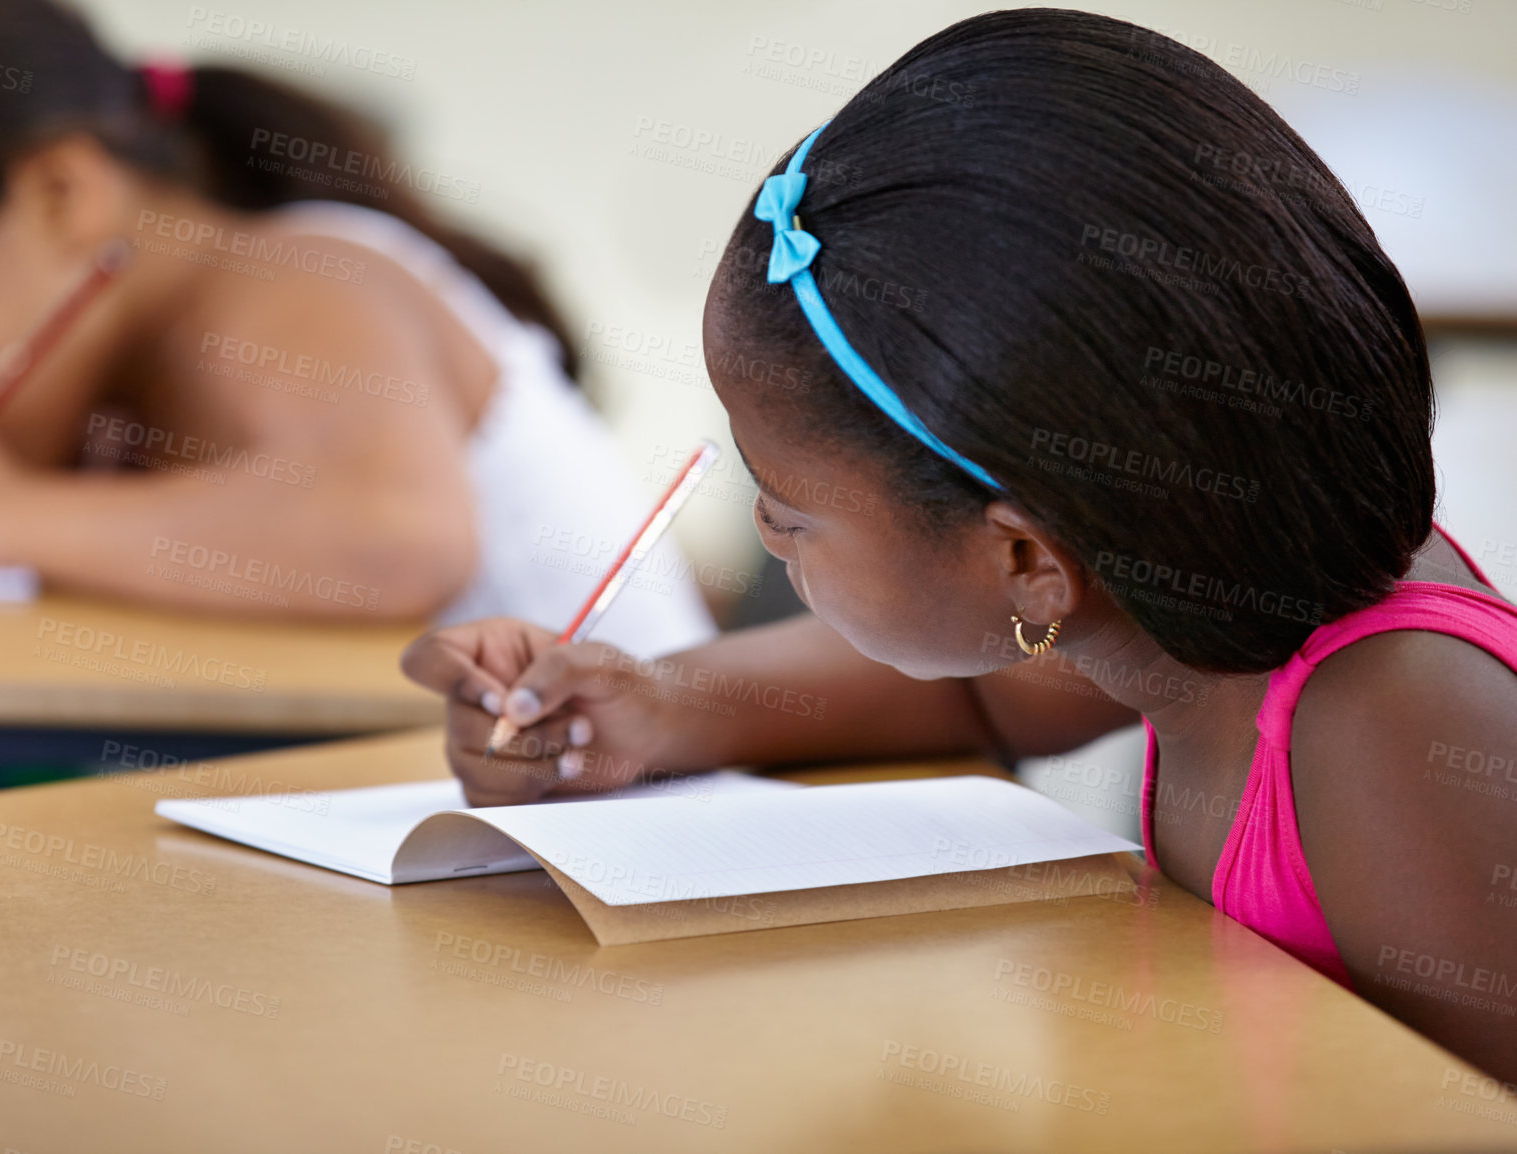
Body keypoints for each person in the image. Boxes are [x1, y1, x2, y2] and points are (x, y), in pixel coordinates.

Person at [402, 9, 1517, 1082]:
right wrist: (649, 702)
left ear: (1025, 561)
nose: (760, 530)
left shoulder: (1392, 726)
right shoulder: (1186, 595)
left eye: (788, 511)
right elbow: (989, 699)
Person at [0, 0, 715, 657]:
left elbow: (397, 539)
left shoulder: (296, 277)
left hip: (642, 853)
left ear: (62, 194)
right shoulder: (104, 397)